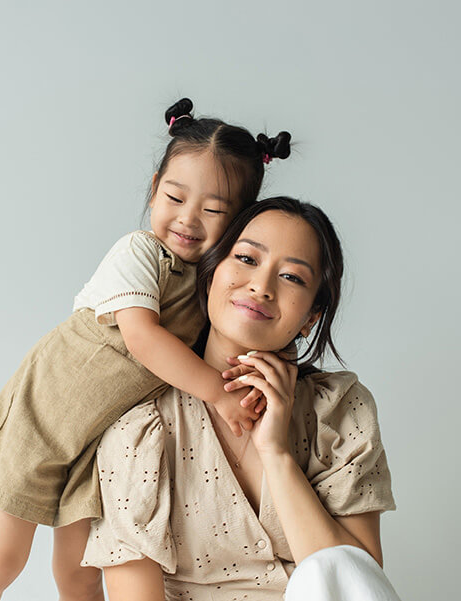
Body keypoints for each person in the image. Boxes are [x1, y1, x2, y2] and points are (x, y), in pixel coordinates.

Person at [0, 99, 293, 601]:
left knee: (81, 572)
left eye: (214, 211)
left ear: (239, 223)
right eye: (175, 197)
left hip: (98, 442)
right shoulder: (139, 253)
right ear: (154, 189)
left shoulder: (213, 288)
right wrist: (220, 395)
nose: (189, 219)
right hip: (42, 418)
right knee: (0, 560)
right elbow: (143, 338)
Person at [82, 197, 402, 600]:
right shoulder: (140, 429)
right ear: (212, 272)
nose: (261, 286)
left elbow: (356, 584)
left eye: (292, 277)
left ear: (311, 317)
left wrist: (276, 453)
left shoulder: (338, 410)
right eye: (248, 259)